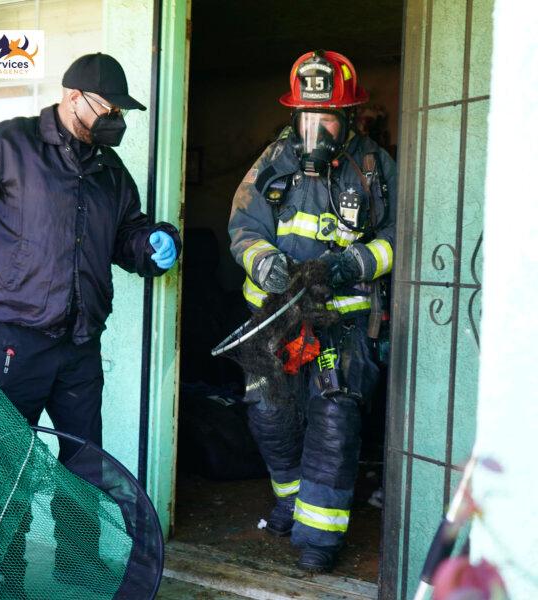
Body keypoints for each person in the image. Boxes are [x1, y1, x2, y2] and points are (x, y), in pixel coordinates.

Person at [0, 52, 181, 597]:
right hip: (13, 343)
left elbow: (128, 236)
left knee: (84, 466)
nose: (115, 117)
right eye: (108, 106)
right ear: (73, 97)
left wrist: (152, 243)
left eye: (121, 109)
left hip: (80, 345)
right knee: (8, 468)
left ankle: (82, 570)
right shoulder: (7, 144)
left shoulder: (109, 171)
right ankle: (3, 577)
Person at [228, 50, 395, 572]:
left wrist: (357, 263)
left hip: (342, 322)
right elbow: (243, 228)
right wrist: (266, 265)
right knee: (269, 413)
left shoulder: (374, 167)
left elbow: (400, 236)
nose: (314, 129)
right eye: (306, 117)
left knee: (334, 417)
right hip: (276, 320)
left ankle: (318, 539)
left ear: (346, 118)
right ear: (294, 115)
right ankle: (290, 502)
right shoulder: (273, 162)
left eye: (325, 117)